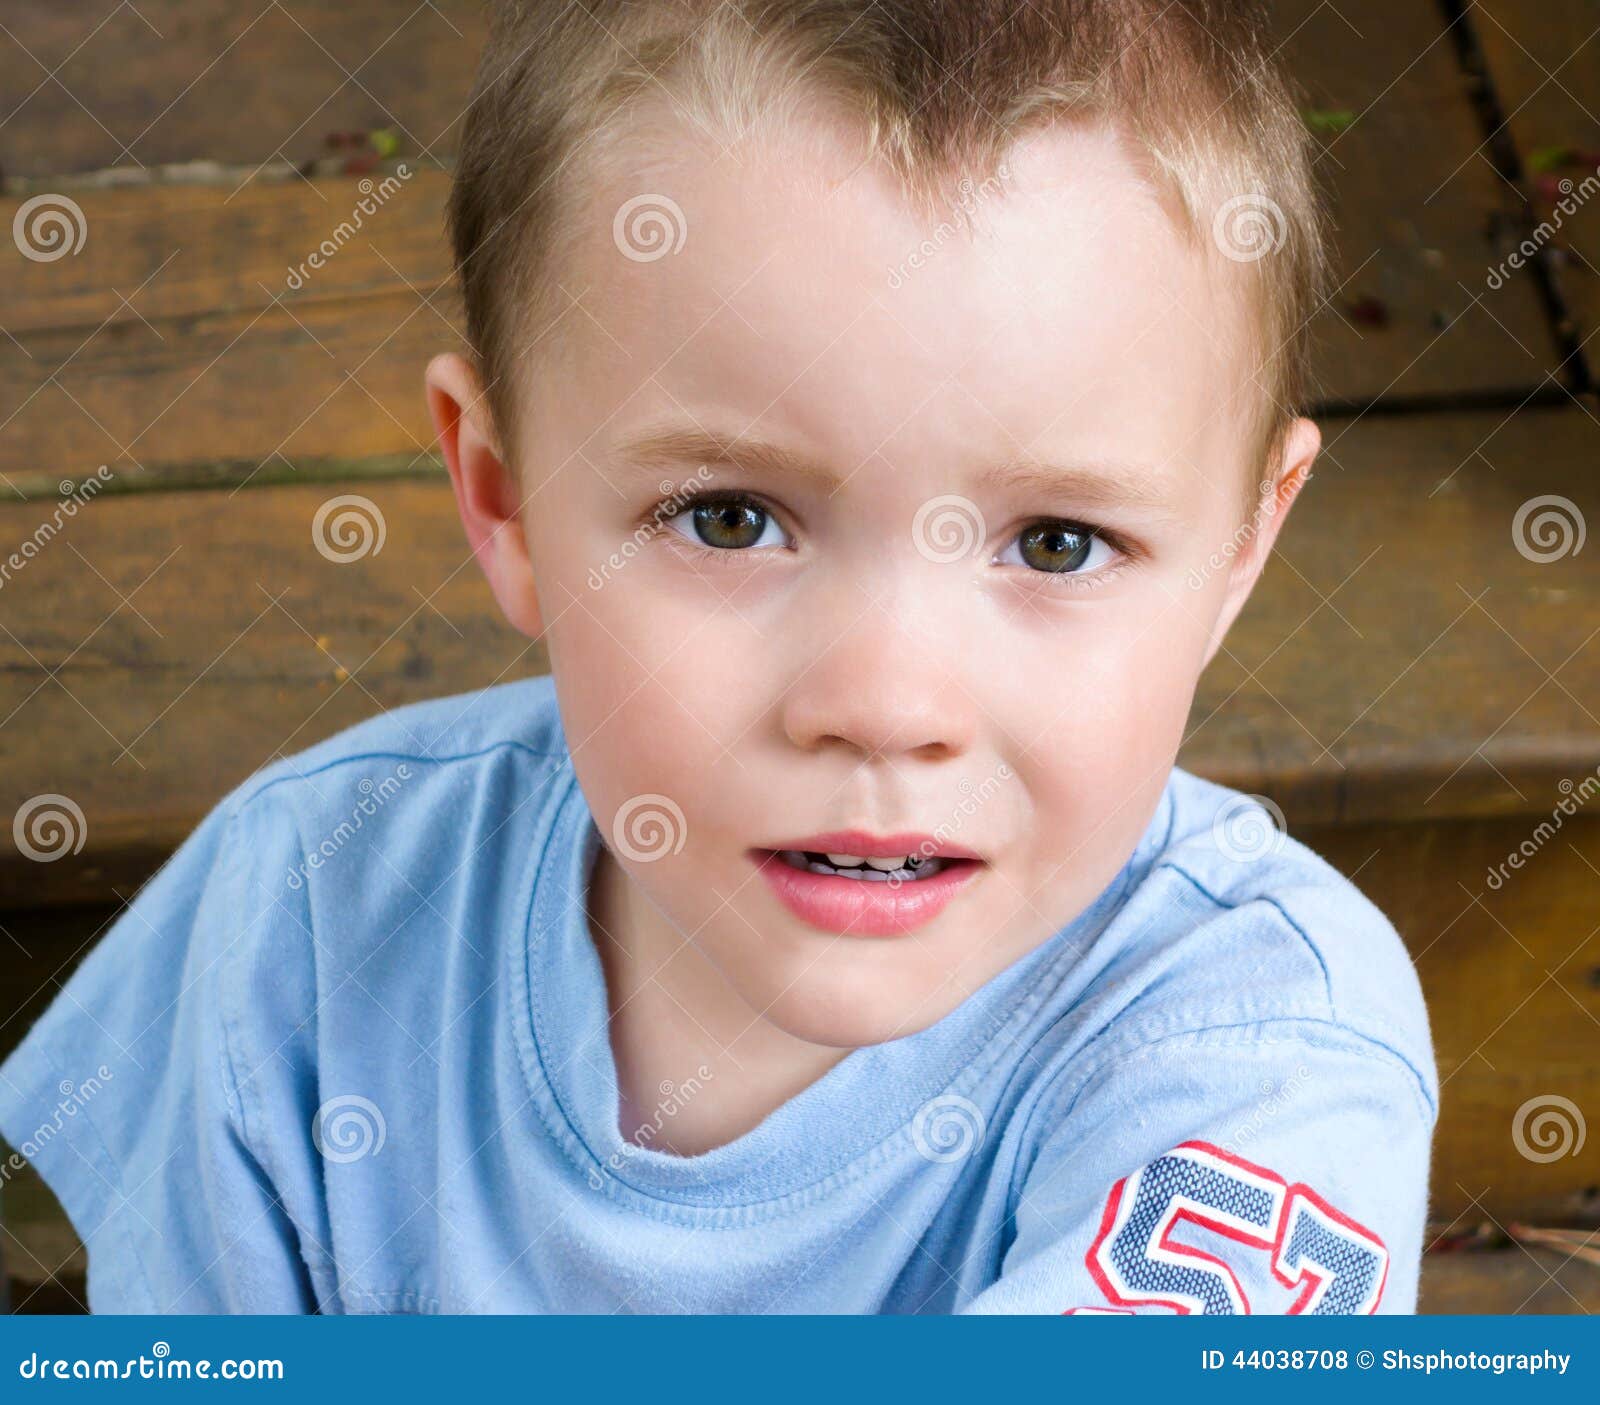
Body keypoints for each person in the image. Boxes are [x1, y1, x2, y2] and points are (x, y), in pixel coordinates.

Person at [0, 0, 1435, 1313]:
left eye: (1056, 542)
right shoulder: (308, 919)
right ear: (502, 496)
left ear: (1243, 546)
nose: (887, 704)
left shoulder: (1264, 1054)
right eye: (730, 518)